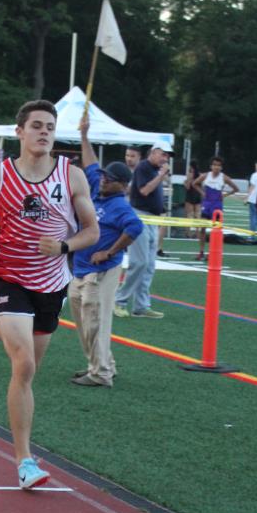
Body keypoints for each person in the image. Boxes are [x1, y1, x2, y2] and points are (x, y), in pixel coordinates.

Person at [0, 99, 98, 489]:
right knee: (22, 365)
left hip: (52, 284)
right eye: (37, 125)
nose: (44, 132)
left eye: (50, 127)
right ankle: (25, 461)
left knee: (30, 371)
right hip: (9, 276)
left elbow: (91, 231)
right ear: (19, 131)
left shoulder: (72, 176)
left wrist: (63, 247)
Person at [69, 113, 145, 386]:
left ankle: (100, 374)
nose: (103, 180)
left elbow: (135, 228)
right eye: (104, 176)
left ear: (122, 186)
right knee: (84, 322)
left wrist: (110, 252)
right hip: (81, 268)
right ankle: (101, 364)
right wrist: (84, 135)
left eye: (110, 179)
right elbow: (90, 162)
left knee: (96, 322)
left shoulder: (120, 206)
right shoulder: (95, 188)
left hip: (100, 271)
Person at [113, 141, 172, 320]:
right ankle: (119, 301)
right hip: (140, 218)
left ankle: (141, 306)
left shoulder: (153, 169)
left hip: (151, 219)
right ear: (153, 153)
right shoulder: (144, 168)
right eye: (163, 154)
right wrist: (161, 176)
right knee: (139, 262)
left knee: (149, 265)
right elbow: (144, 191)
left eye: (167, 155)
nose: (165, 158)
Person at [194, 156, 237, 261]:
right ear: (211, 166)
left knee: (216, 230)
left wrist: (225, 195)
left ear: (221, 167)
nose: (216, 167)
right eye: (214, 165)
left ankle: (212, 253)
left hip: (217, 206)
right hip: (207, 204)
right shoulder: (205, 176)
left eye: (218, 165)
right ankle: (201, 252)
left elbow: (236, 188)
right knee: (202, 228)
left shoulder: (224, 177)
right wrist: (202, 193)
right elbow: (194, 184)